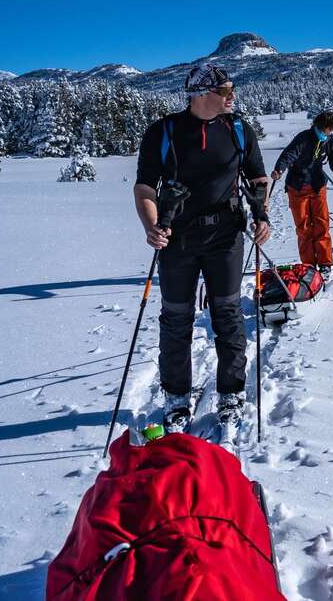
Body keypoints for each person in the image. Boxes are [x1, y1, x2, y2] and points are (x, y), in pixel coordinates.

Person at [134, 64, 270, 432]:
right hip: (177, 240)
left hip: (226, 236)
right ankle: (176, 398)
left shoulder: (239, 130)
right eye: (226, 90)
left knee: (226, 315)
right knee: (176, 319)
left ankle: (231, 392)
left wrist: (261, 215)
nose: (232, 95)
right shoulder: (164, 133)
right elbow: (145, 188)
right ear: (201, 93)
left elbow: (257, 178)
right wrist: (151, 227)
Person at [272, 111, 333, 275]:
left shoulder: (328, 140)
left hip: (318, 186)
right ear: (324, 126)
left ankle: (325, 263)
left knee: (322, 224)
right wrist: (279, 169)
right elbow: (289, 154)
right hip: (298, 186)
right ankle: (309, 265)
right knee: (304, 227)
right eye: (332, 127)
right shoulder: (304, 138)